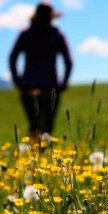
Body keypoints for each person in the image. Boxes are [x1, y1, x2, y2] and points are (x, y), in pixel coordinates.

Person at [9, 3, 72, 139]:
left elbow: (12, 58)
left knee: (34, 126)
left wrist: (18, 82)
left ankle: (34, 157)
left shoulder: (25, 34)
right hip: (51, 88)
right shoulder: (56, 34)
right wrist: (63, 84)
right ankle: (44, 157)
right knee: (47, 127)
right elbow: (68, 61)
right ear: (51, 17)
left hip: (28, 87)